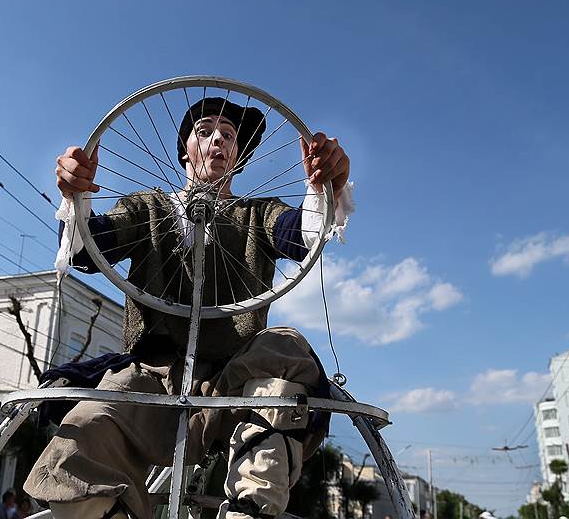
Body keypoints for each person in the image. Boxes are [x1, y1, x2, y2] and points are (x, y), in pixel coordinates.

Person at [26, 97, 353, 519]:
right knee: (87, 425)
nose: (218, 139)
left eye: (230, 136)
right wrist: (77, 195)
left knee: (286, 347)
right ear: (185, 148)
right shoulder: (147, 207)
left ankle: (249, 509)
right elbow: (90, 250)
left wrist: (324, 186)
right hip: (152, 379)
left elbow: (301, 235)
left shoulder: (258, 211)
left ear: (238, 155)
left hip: (235, 379)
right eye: (205, 131)